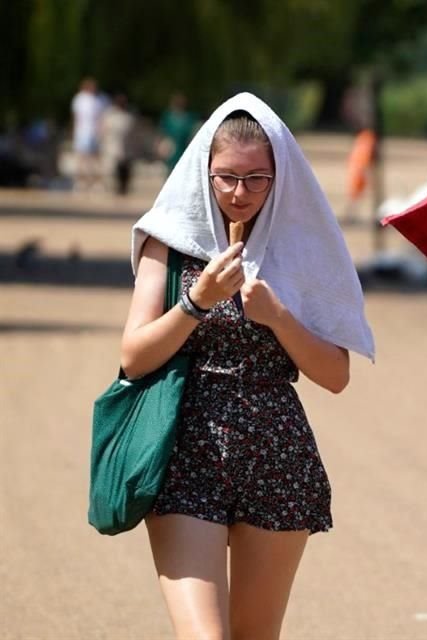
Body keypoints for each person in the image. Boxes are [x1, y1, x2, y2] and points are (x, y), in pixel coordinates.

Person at [120, 93, 374, 639]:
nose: (240, 193)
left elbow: (336, 376)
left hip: (278, 452)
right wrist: (197, 301)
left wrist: (279, 316)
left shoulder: (301, 250)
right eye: (226, 177)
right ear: (202, 173)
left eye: (257, 179)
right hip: (185, 448)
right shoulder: (170, 242)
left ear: (280, 176)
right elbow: (133, 356)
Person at [71, 77, 104, 190]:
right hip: (82, 132)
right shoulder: (79, 99)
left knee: (95, 158)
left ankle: (96, 182)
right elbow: (77, 117)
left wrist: (100, 131)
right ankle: (81, 181)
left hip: (94, 132)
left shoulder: (97, 100)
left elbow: (99, 118)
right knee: (82, 158)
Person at [99, 93, 136, 195]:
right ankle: (114, 189)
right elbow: (103, 130)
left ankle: (123, 189)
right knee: (113, 169)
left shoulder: (129, 116)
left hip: (126, 148)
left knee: (125, 170)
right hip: (113, 146)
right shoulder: (109, 115)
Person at [158, 92, 198, 175]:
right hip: (171, 150)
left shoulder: (189, 118)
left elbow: (192, 134)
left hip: (184, 149)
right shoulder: (168, 117)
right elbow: (162, 133)